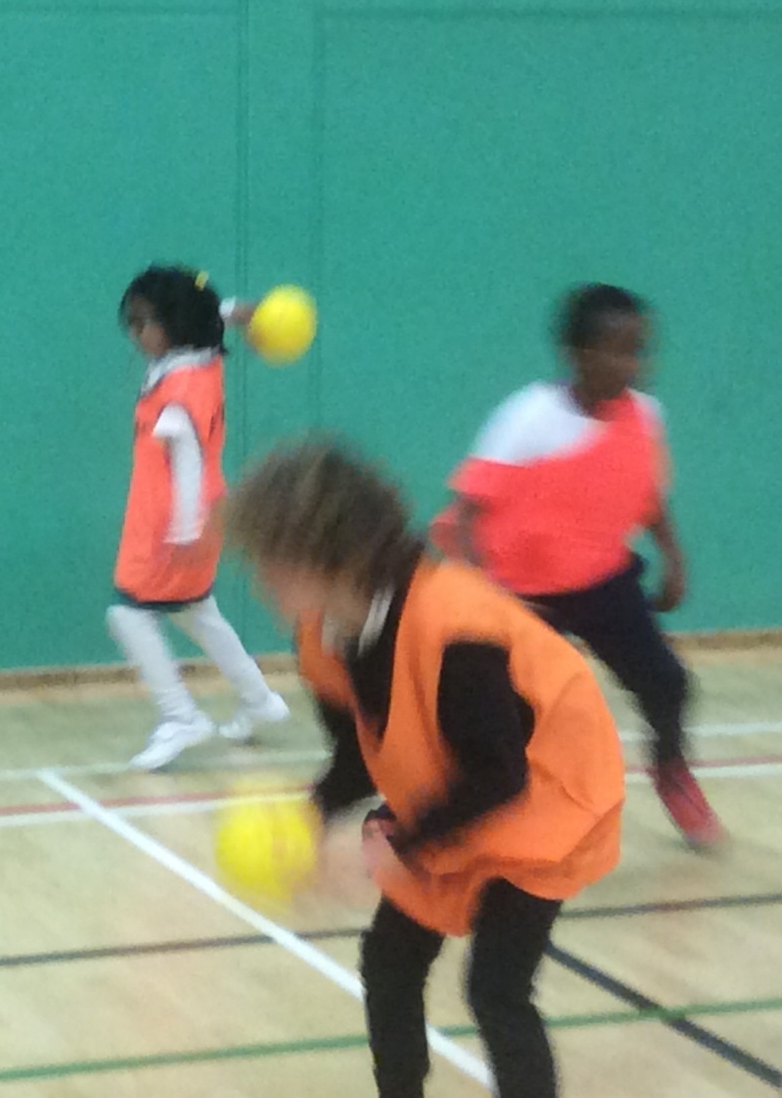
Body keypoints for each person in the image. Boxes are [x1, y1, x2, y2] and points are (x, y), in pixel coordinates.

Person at [222, 440, 623, 1098]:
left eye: (274, 559)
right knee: (389, 960)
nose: (261, 578)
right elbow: (360, 755)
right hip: (458, 788)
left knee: (496, 987)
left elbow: (499, 774)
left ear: (334, 554)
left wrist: (401, 843)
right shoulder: (324, 635)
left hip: (550, 796)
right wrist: (312, 814)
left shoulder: (454, 624)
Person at [432, 283, 723, 848]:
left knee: (667, 682)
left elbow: (650, 497)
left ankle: (672, 773)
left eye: (639, 350)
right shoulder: (526, 418)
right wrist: (479, 589)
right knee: (515, 715)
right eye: (617, 350)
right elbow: (466, 512)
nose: (632, 364)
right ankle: (485, 808)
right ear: (577, 354)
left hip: (602, 580)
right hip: (520, 594)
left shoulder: (645, 416)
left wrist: (674, 558)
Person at [109, 265, 288, 771]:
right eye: (132, 322)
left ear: (175, 324)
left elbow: (186, 459)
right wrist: (235, 310)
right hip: (199, 510)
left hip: (173, 518)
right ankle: (260, 701)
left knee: (127, 613)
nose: (136, 333)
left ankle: (180, 715)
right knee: (197, 612)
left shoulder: (180, 386)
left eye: (144, 322)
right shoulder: (199, 359)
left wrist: (186, 531)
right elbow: (203, 315)